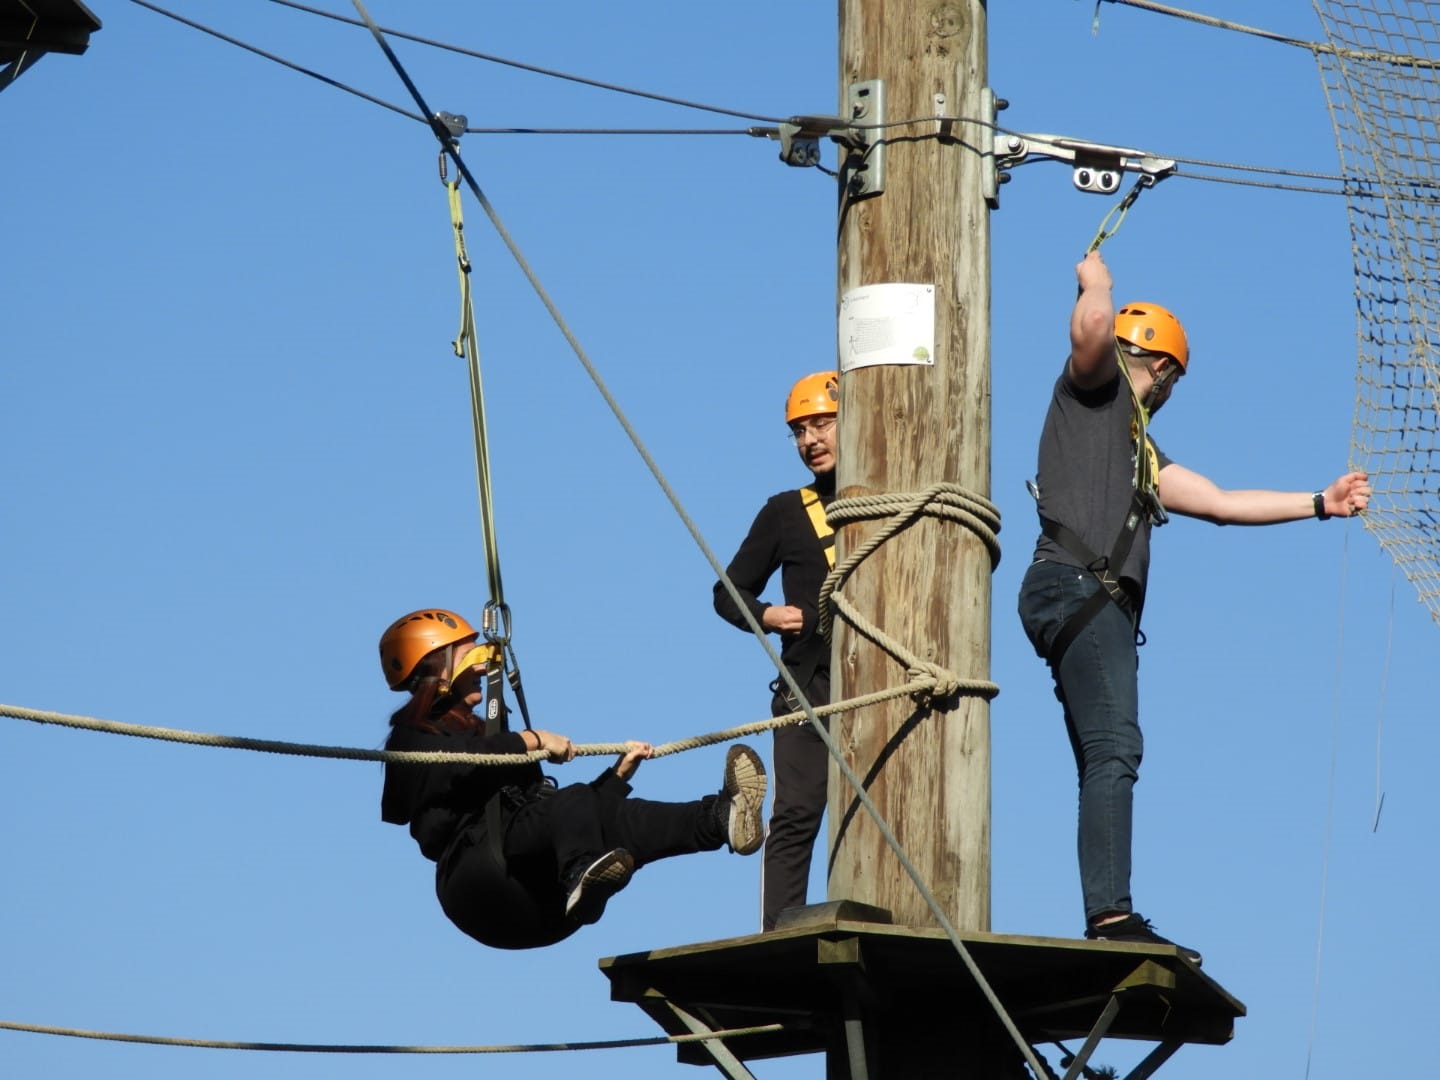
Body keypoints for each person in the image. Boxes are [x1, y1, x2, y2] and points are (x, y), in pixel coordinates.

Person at [1017, 251, 1372, 966]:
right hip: (1081, 591)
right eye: (1166, 376)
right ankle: (1111, 916)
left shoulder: (1136, 448)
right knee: (1115, 748)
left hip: (1084, 598)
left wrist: (1318, 505)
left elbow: (1218, 503)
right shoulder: (1094, 391)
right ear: (1162, 369)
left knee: (1106, 753)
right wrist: (1099, 283)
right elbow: (1089, 333)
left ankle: (1107, 907)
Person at [378, 608, 768, 950]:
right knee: (575, 801)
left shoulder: (484, 732)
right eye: (470, 655)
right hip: (476, 876)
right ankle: (583, 873)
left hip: (542, 898)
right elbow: (455, 765)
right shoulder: (412, 737)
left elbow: (548, 814)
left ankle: (720, 817)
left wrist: (615, 779)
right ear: (438, 666)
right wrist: (530, 740)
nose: (481, 667)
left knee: (611, 814)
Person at [713, 371, 838, 932]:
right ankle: (779, 931)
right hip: (810, 684)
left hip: (884, 680)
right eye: (799, 431)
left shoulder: (894, 503)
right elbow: (728, 591)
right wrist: (765, 614)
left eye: (822, 424)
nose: (810, 440)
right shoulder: (789, 510)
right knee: (797, 814)